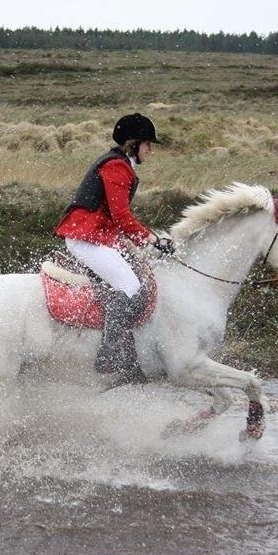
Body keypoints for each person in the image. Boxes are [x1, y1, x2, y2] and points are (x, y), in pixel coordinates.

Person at [54, 113, 174, 383]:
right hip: (85, 236)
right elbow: (121, 217)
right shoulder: (117, 167)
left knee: (131, 278)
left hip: (97, 235)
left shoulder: (120, 164)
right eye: (147, 144)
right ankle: (108, 355)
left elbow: (117, 220)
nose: (150, 150)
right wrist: (152, 240)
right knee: (130, 287)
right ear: (134, 144)